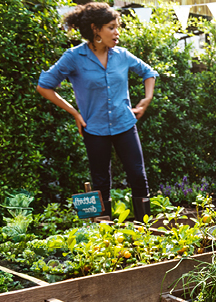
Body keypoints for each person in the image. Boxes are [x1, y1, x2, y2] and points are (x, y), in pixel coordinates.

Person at [36, 2, 158, 221]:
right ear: (95, 29)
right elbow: (44, 85)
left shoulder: (121, 55)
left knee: (138, 177)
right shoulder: (74, 57)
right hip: (94, 128)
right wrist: (75, 112)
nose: (117, 32)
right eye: (111, 27)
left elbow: (148, 72)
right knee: (101, 183)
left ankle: (146, 231)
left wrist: (146, 98)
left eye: (117, 26)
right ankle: (105, 237)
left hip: (124, 124)